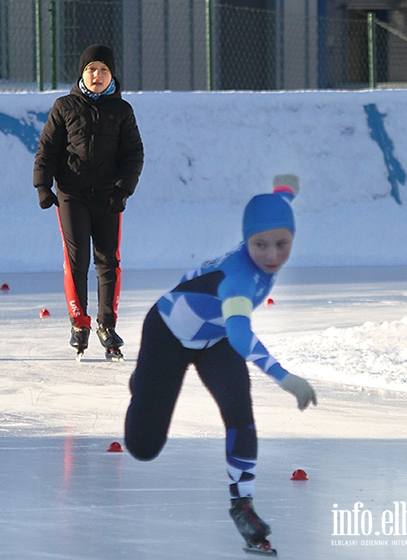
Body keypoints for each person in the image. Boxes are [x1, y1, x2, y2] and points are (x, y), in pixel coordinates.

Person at [123, 175, 317, 552]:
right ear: (246, 241)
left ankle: (242, 505)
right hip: (168, 334)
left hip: (215, 339)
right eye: (260, 245)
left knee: (239, 413)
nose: (273, 255)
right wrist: (284, 376)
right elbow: (243, 336)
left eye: (282, 244)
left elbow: (278, 206)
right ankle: (142, 383)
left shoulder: (271, 231)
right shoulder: (239, 280)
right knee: (143, 447)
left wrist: (284, 190)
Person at [33, 44, 144, 359]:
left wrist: (123, 190)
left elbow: (133, 154)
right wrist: (43, 185)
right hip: (72, 196)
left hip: (109, 197)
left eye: (104, 70)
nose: (97, 76)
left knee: (108, 261)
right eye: (92, 69)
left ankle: (106, 325)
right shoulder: (64, 106)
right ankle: (79, 323)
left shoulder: (122, 111)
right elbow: (47, 149)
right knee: (77, 260)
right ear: (82, 73)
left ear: (112, 75)